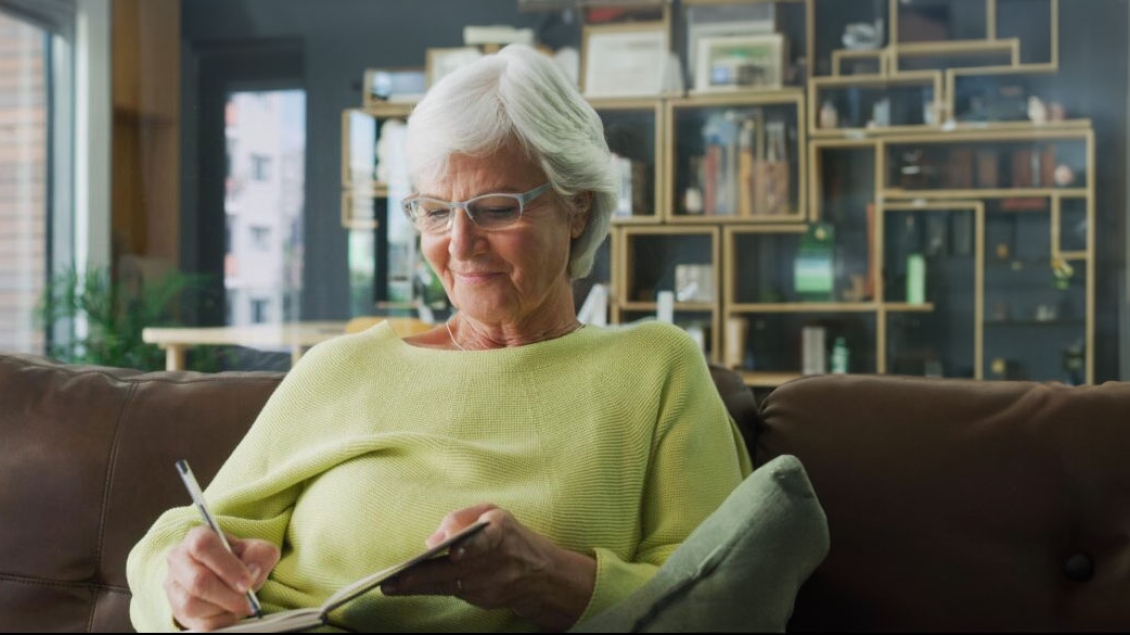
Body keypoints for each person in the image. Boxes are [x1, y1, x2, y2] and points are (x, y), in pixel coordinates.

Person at [127, 44, 752, 633]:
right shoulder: (342, 367)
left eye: (497, 207)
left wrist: (552, 580)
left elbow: (725, 600)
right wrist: (180, 584)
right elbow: (174, 538)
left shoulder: (655, 370)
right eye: (434, 211)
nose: (459, 244)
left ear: (578, 207)